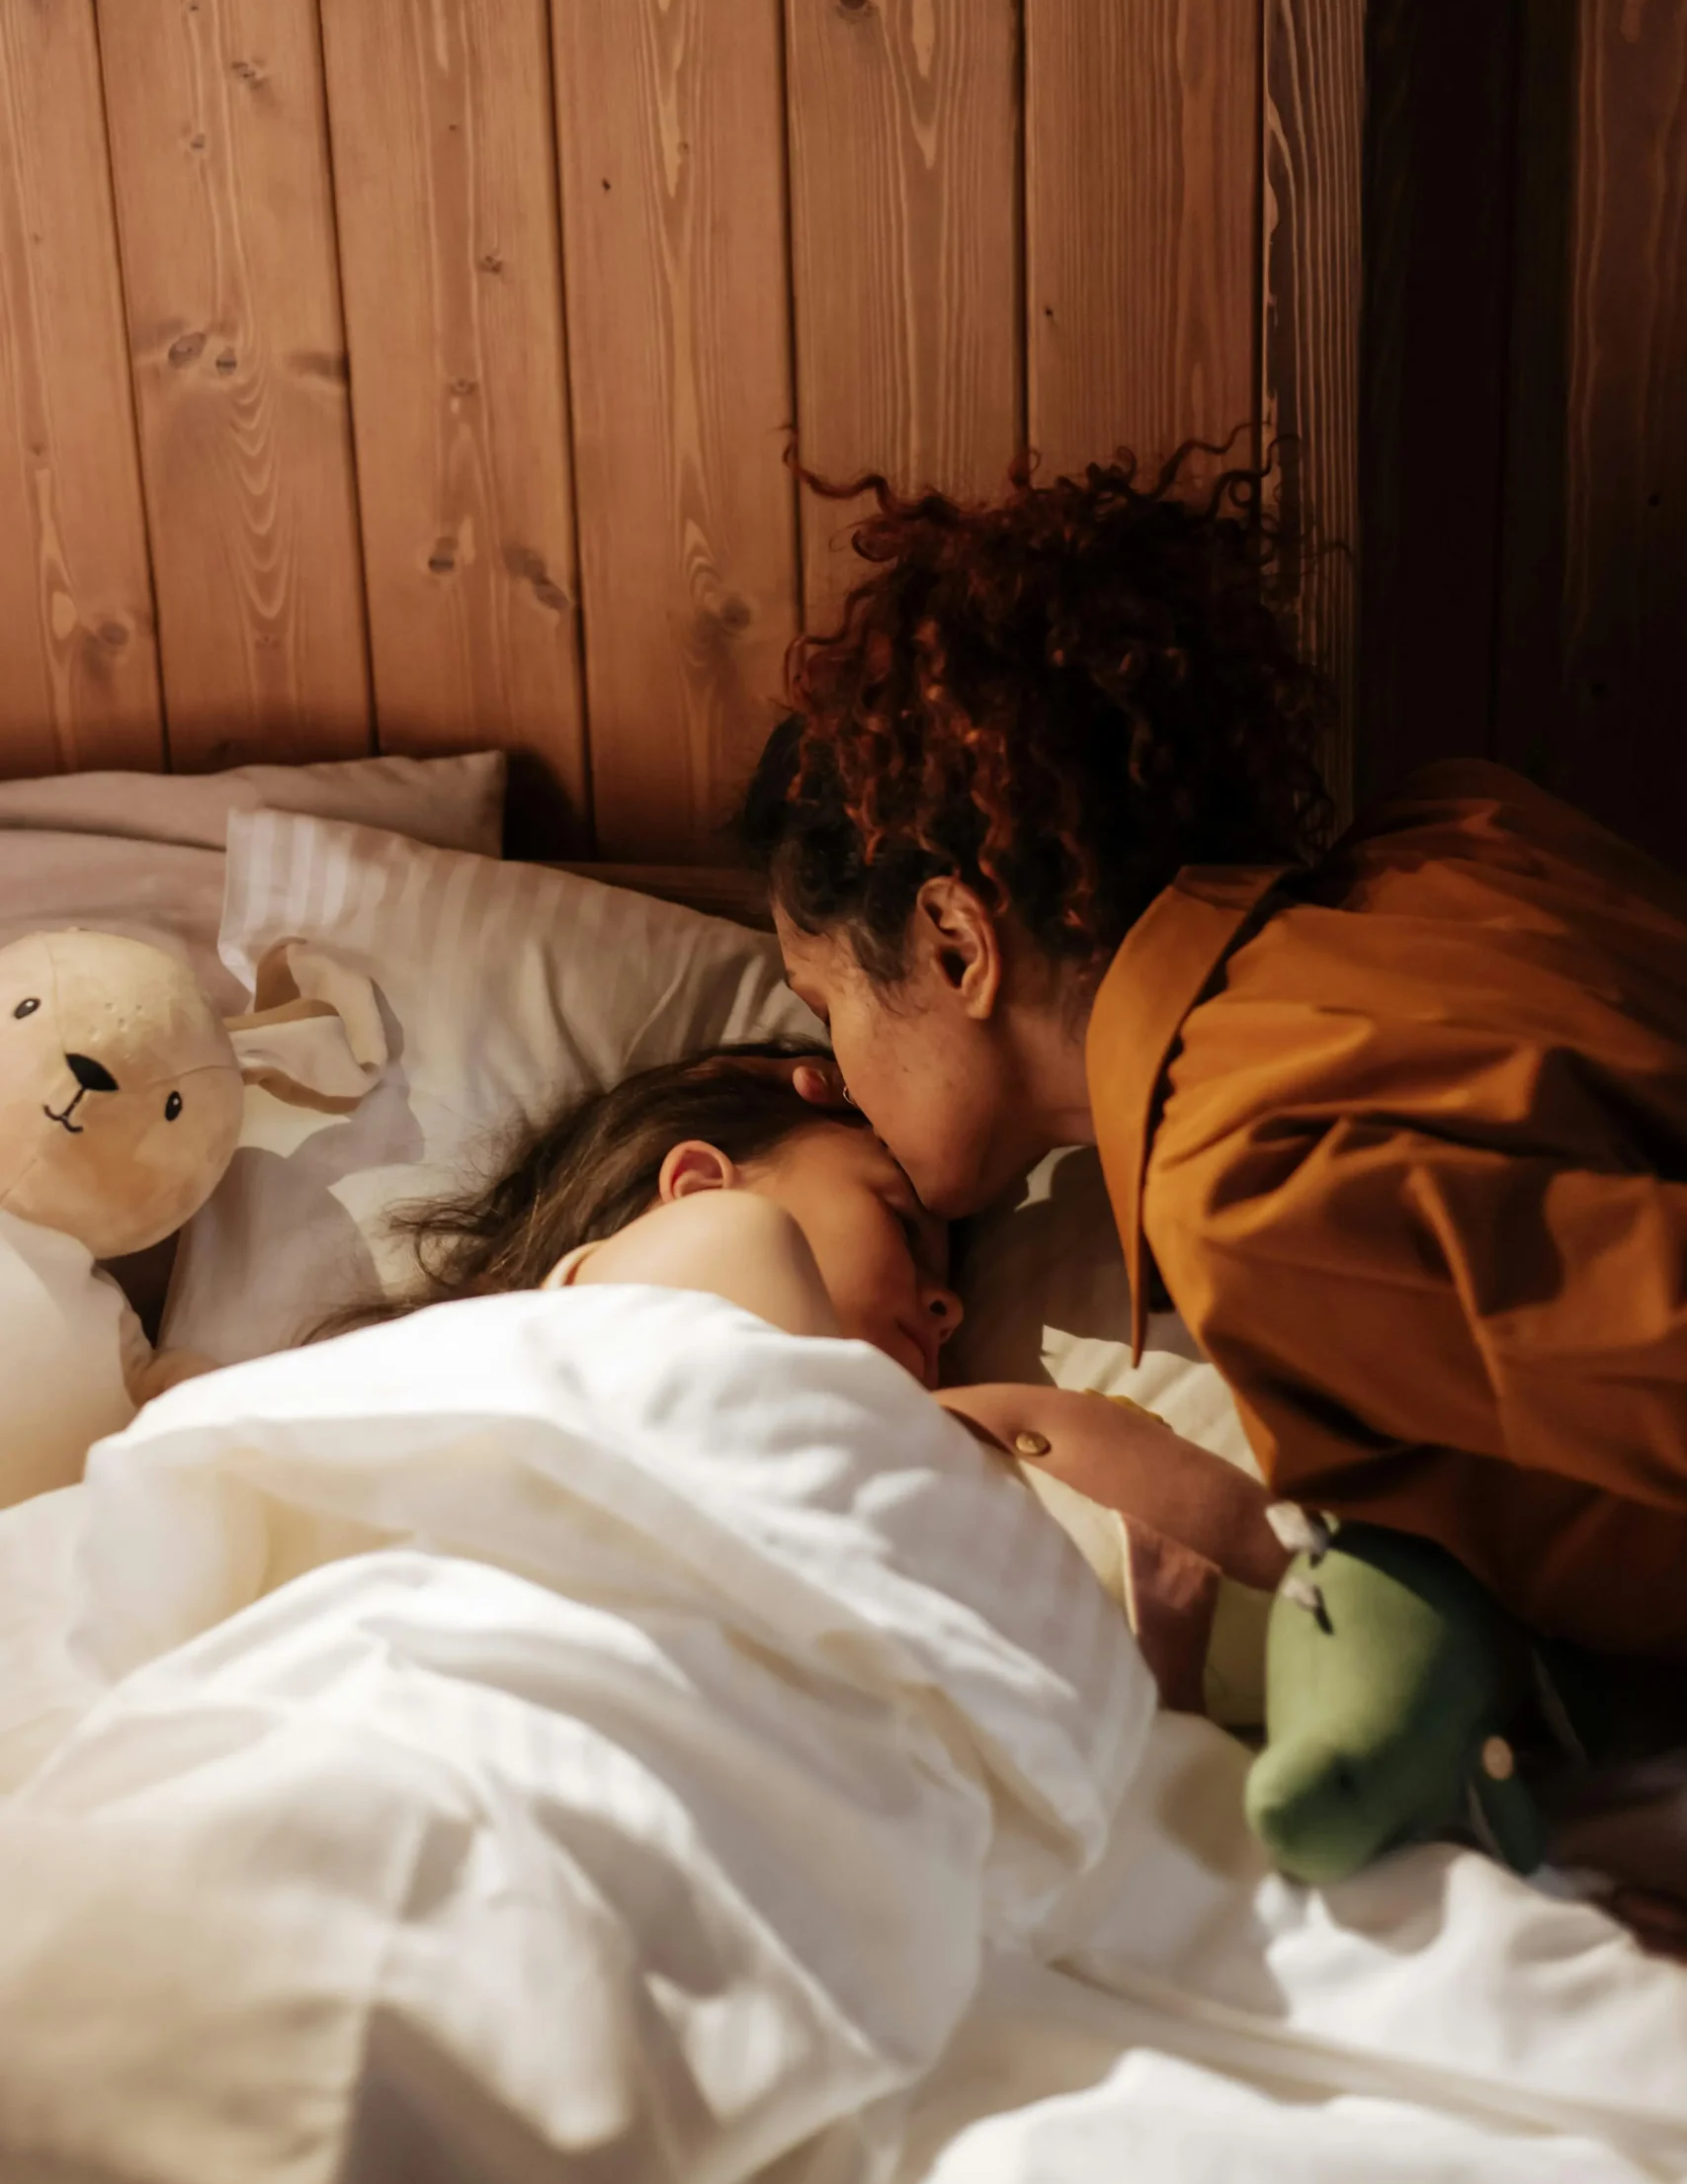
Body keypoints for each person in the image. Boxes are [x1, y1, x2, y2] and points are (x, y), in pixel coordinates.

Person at [738, 449, 1687, 1661]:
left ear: (957, 944)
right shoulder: (1458, 826)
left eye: (826, 1006)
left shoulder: (1245, 1177)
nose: (830, 1071)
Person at [323, 1040, 1286, 1602]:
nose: (947, 1304)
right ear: (694, 1180)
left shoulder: (890, 1438)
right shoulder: (672, 1266)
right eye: (899, 1224)